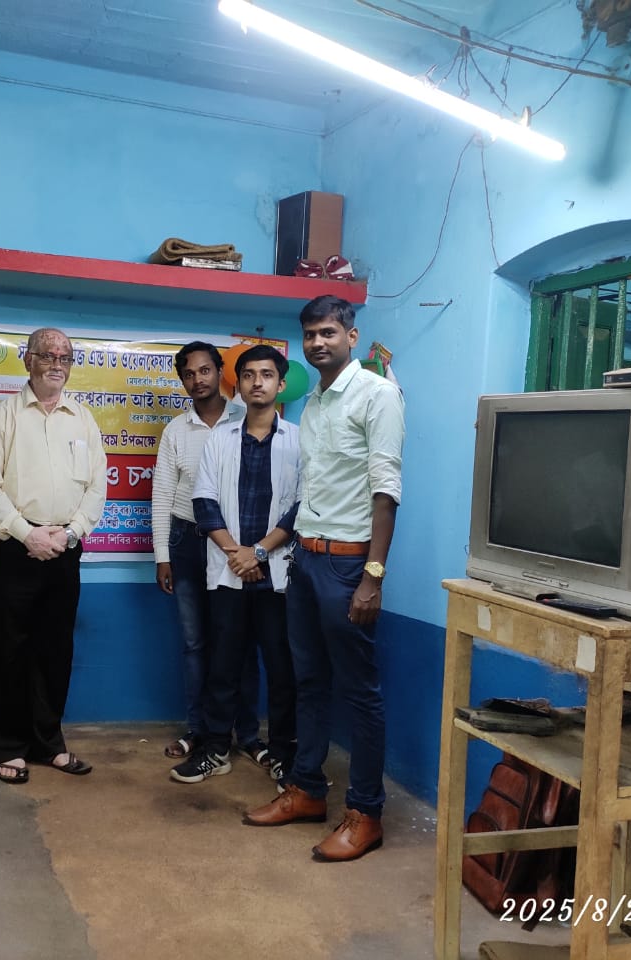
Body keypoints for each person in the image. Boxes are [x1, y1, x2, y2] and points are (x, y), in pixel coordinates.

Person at [243, 295, 405, 863]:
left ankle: (366, 813)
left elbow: (386, 491)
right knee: (307, 682)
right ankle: (307, 790)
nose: (318, 342)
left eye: (328, 332)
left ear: (351, 336)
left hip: (348, 565)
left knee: (360, 693)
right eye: (310, 334)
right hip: (306, 561)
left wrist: (372, 577)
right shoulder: (312, 402)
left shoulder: (377, 395)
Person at [0, 327, 107, 785]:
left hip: (65, 549)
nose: (56, 363)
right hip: (16, 549)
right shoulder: (4, 418)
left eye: (65, 356)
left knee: (55, 649)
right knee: (8, 649)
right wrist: (26, 534)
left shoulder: (82, 419)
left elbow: (97, 485)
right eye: (47, 355)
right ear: (27, 360)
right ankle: (5, 746)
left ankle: (48, 742)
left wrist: (71, 533)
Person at [170, 345, 299, 785]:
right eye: (248, 375)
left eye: (266, 374)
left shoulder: (299, 440)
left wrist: (258, 552)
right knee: (222, 666)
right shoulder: (220, 439)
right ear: (238, 384)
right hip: (229, 572)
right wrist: (238, 555)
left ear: (281, 384)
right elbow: (204, 502)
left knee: (280, 669)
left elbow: (300, 508)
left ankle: (282, 753)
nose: (257, 382)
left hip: (276, 574)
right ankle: (215, 749)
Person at [151, 342, 266, 766]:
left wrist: (252, 549)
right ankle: (200, 731)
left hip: (236, 546)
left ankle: (247, 733)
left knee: (241, 642)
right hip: (187, 542)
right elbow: (162, 495)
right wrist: (162, 555)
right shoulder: (176, 431)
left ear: (220, 372)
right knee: (195, 642)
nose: (197, 380)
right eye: (189, 373)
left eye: (205, 370)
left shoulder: (247, 417)